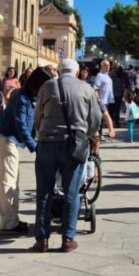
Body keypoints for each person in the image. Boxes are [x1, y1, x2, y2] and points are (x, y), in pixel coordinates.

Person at [31, 58, 103, 252]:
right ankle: (68, 238)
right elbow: (95, 119)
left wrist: (41, 131)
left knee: (44, 191)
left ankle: (42, 239)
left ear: (59, 71)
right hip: (75, 145)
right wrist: (87, 134)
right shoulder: (86, 88)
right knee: (72, 191)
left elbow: (37, 116)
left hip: (47, 143)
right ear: (77, 71)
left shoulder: (47, 87)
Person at [0, 68, 50, 233]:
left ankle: (11, 219)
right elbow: (21, 126)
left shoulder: (32, 96)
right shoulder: (21, 97)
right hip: (6, 139)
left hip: (12, 140)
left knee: (13, 180)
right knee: (8, 181)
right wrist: (35, 147)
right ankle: (9, 222)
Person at [95, 60, 115, 130]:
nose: (107, 67)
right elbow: (96, 87)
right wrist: (97, 98)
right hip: (101, 100)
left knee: (103, 119)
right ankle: (99, 134)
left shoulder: (107, 76)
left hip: (107, 101)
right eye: (105, 65)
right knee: (102, 118)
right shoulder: (99, 75)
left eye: (109, 65)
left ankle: (100, 134)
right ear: (102, 66)